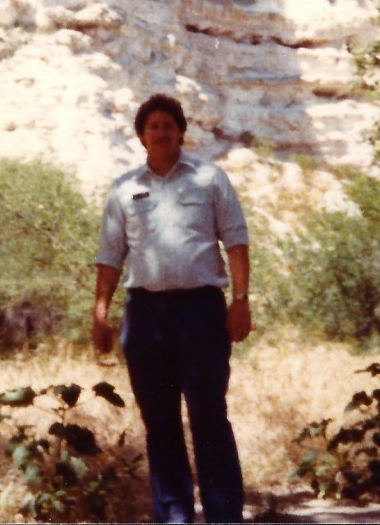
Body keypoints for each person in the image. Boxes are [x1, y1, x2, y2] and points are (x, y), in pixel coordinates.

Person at [92, 93, 252, 524]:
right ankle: (175, 516)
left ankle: (223, 515)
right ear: (141, 136)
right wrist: (100, 314)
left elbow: (236, 242)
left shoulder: (210, 179)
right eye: (152, 126)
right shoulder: (124, 189)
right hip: (145, 318)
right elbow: (109, 257)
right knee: (160, 423)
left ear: (182, 131)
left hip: (201, 312)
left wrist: (240, 301)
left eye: (168, 124)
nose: (161, 132)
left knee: (209, 416)